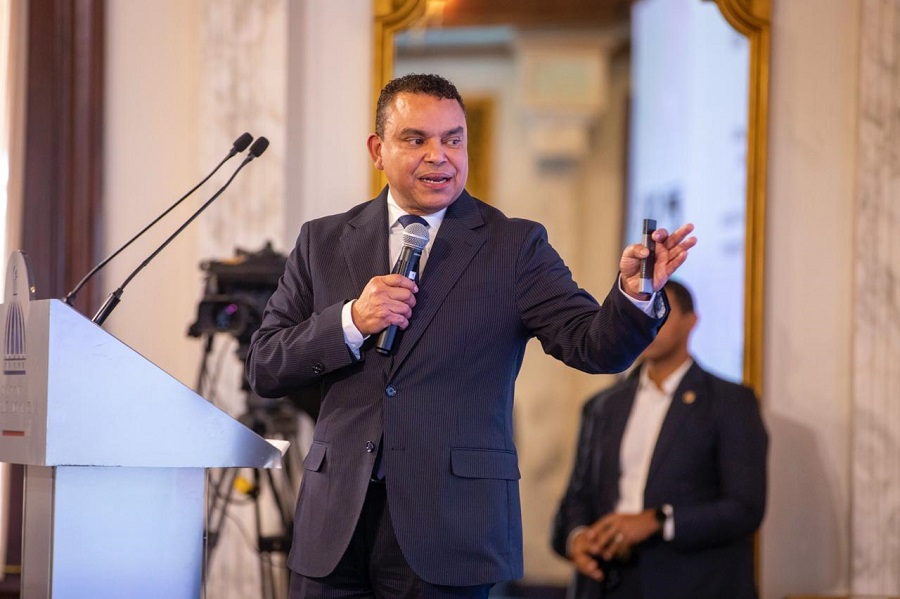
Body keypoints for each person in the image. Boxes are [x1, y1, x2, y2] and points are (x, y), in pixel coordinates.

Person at [246, 73, 697, 599]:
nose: (438, 156)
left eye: (453, 139)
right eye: (416, 139)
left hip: (450, 527)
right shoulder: (322, 241)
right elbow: (265, 365)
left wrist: (635, 295)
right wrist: (350, 321)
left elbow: (594, 347)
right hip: (333, 529)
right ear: (378, 150)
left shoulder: (515, 246)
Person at [551, 280, 768, 599]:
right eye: (640, 313)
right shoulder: (602, 406)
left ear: (691, 321)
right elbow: (576, 499)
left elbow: (745, 508)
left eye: (661, 311)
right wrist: (578, 538)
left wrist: (659, 520)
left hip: (692, 583)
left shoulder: (730, 402)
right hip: (606, 583)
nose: (647, 322)